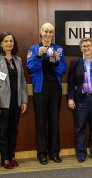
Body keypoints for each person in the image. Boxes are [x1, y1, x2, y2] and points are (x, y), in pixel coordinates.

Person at [26, 23, 67, 165]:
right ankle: (42, 153)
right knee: (41, 121)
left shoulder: (58, 49)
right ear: (41, 32)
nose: (48, 34)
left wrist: (55, 61)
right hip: (40, 89)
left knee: (54, 120)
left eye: (51, 32)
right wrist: (39, 55)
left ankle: (54, 152)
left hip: (55, 88)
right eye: (46, 31)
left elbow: (62, 69)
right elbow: (30, 67)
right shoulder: (34, 49)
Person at [0, 32, 28, 169]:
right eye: (6, 41)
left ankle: (12, 156)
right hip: (3, 102)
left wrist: (24, 101)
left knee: (13, 131)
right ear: (1, 44)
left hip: (16, 102)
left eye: (11, 41)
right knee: (2, 132)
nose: (9, 43)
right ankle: (4, 158)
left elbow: (22, 81)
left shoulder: (18, 60)